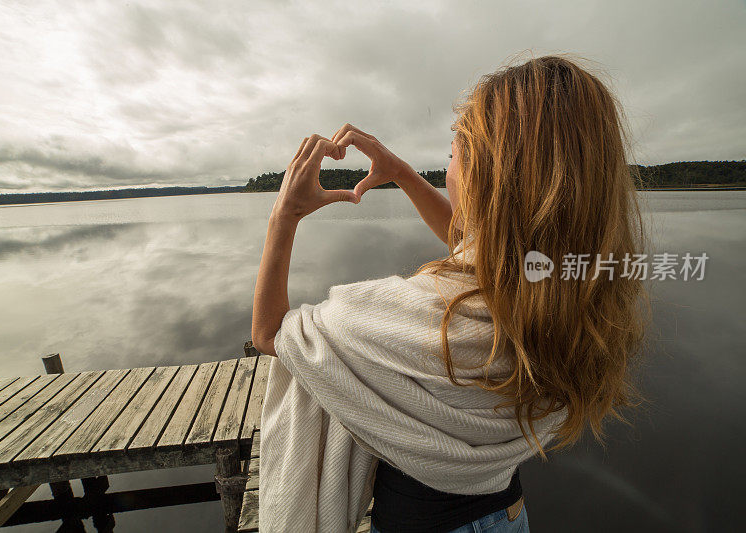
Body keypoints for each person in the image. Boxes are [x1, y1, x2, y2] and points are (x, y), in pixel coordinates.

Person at [252, 54, 649, 533]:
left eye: (452, 154)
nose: (448, 170)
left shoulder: (421, 319)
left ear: (486, 172)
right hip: (508, 517)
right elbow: (474, 242)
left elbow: (273, 334)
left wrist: (284, 216)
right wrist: (399, 171)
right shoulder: (563, 292)